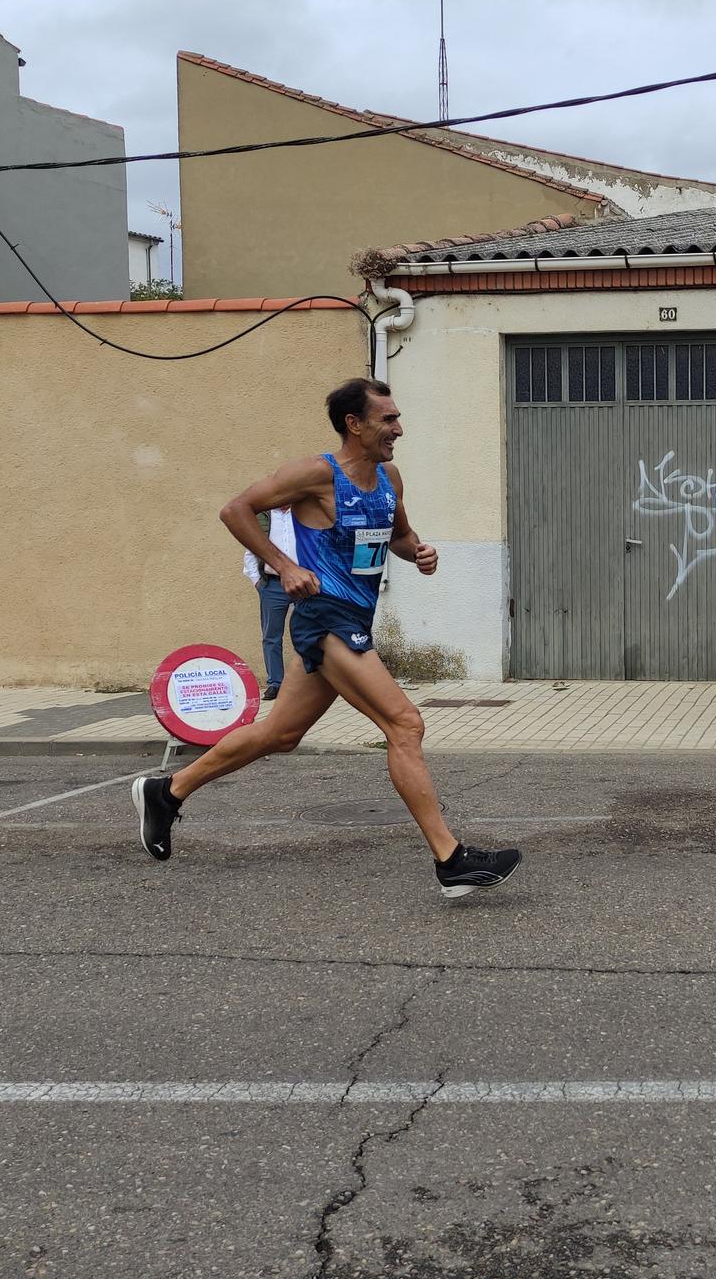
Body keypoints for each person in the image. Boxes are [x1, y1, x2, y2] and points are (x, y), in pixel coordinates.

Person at [130, 377, 521, 899]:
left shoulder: (389, 478)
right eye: (388, 420)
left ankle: (166, 792)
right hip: (324, 617)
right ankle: (451, 861)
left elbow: (400, 537)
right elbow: (235, 510)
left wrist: (419, 553)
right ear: (353, 425)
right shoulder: (316, 475)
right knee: (404, 722)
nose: (398, 429)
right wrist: (283, 565)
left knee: (279, 735)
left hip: (355, 615)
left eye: (398, 418)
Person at [243, 507, 298, 700]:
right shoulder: (263, 518)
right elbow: (250, 552)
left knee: (310, 632)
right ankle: (276, 683)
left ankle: (310, 683)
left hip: (302, 582)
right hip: (272, 584)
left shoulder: (302, 512)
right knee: (271, 636)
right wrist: (257, 582)